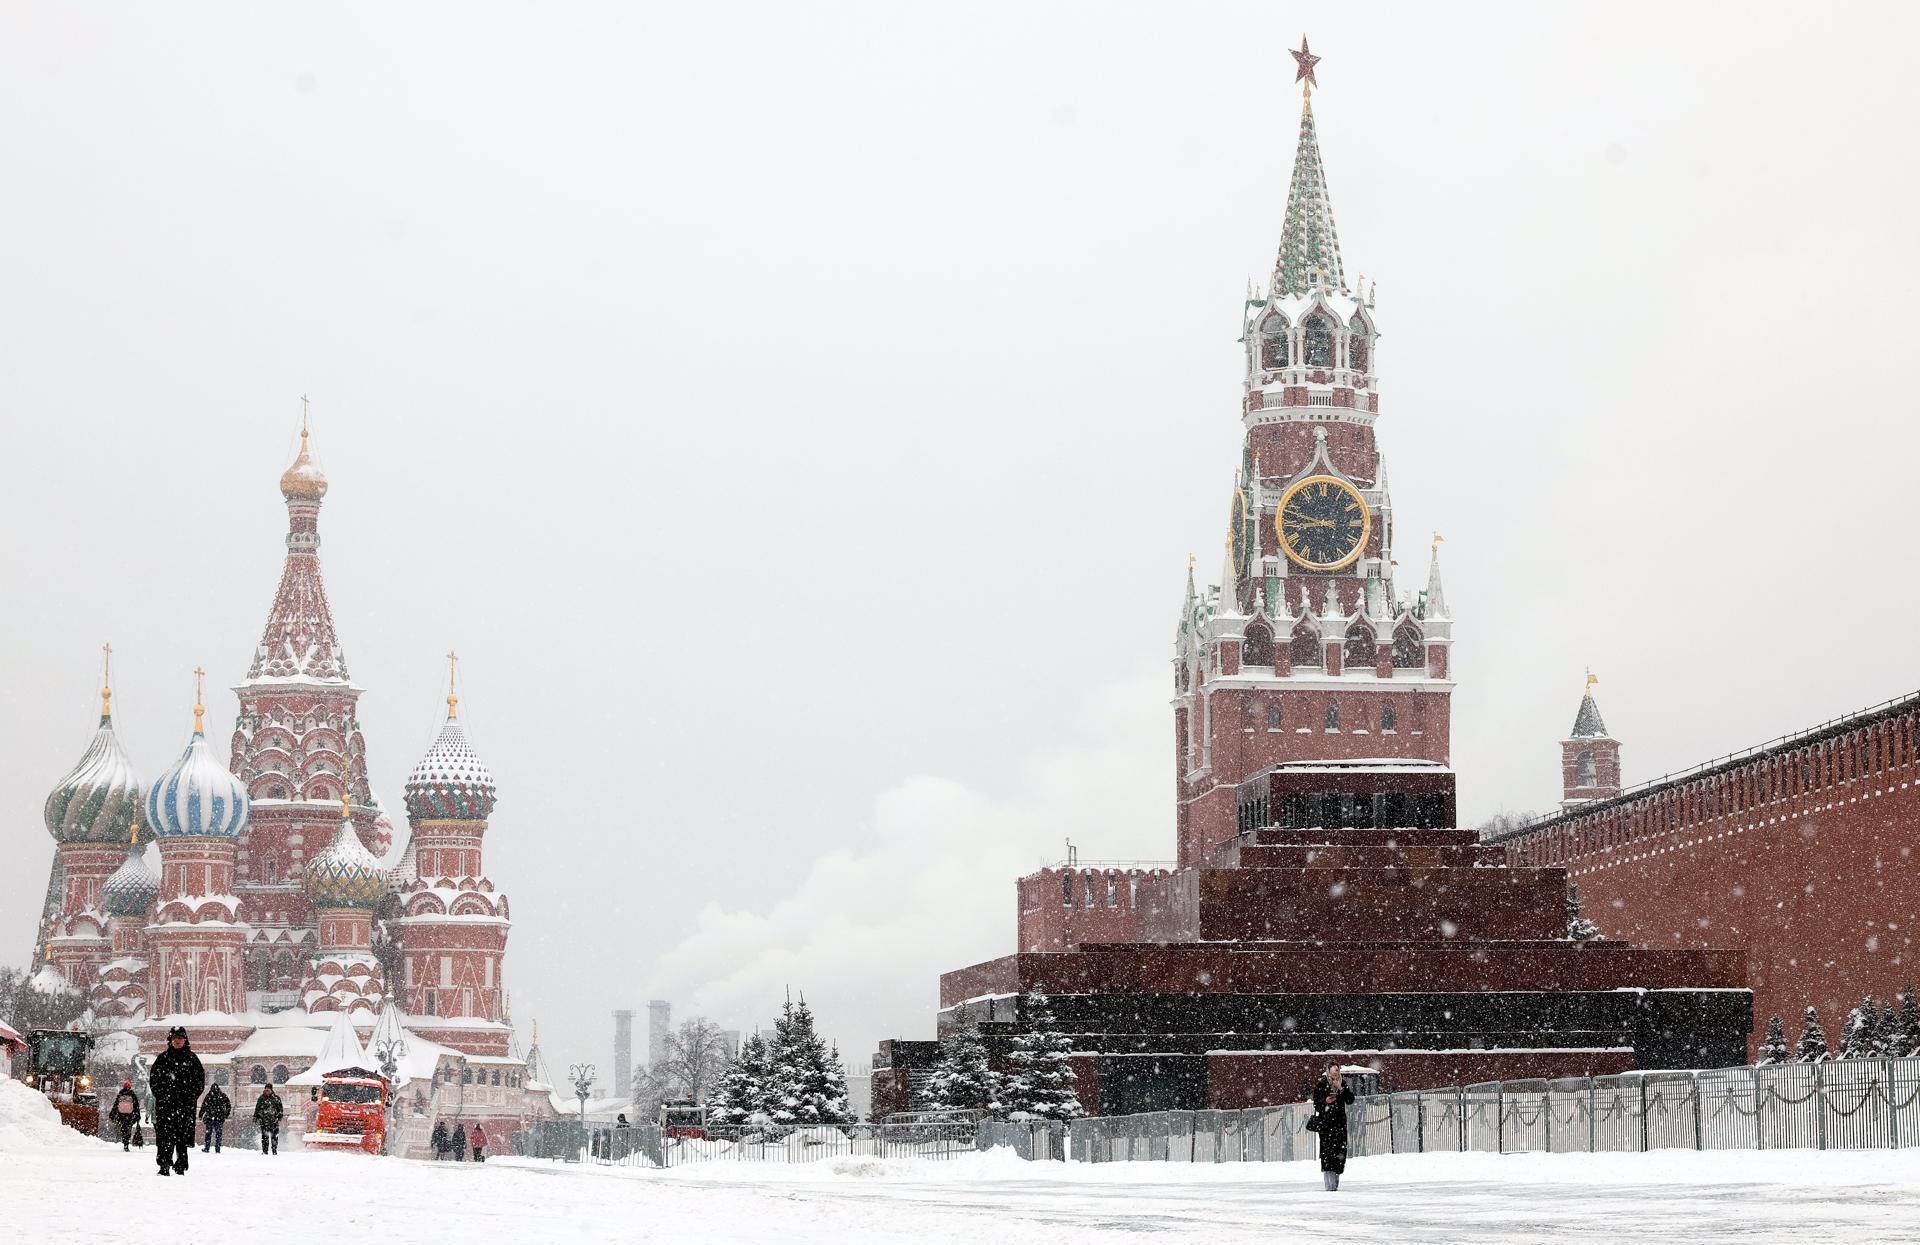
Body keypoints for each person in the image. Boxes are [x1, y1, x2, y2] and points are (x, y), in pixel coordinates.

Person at [148, 1027, 205, 1177]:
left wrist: (189, 1097)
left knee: (182, 1138)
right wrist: (163, 1096)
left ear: (185, 1040)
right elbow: (154, 1081)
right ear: (171, 1040)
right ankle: (164, 1165)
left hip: (185, 1106)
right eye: (175, 1038)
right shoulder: (163, 1059)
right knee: (165, 1137)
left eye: (180, 1038)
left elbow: (199, 1082)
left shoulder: (192, 1059)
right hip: (166, 1106)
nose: (178, 1041)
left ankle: (181, 1165)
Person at [1312, 1065, 1356, 1192]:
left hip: (1340, 1125)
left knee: (1340, 1154)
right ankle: (1329, 1185)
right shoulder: (1321, 1084)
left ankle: (1335, 1181)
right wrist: (1325, 1101)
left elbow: (1350, 1099)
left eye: (1337, 1072)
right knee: (1327, 1154)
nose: (1335, 1074)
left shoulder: (1343, 1083)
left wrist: (1340, 1088)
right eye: (1333, 1072)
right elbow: (1316, 1104)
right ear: (1328, 1073)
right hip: (1326, 1126)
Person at [199, 1082, 232, 1153]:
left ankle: (207, 1148)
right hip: (219, 1118)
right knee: (218, 1134)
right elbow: (228, 1106)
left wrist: (200, 1115)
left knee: (208, 1134)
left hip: (210, 1117)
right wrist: (226, 1114)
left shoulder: (209, 1096)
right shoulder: (222, 1096)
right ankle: (217, 1149)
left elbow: (203, 1106)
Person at [253, 1084, 285, 1155]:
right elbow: (257, 1108)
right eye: (266, 1089)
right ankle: (265, 1151)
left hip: (274, 1121)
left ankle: (274, 1150)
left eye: (268, 1089)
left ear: (271, 1090)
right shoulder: (261, 1098)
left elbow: (280, 1108)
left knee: (274, 1137)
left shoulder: (276, 1098)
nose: (267, 1090)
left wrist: (279, 1116)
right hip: (264, 1121)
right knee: (264, 1137)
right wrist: (255, 1116)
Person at [110, 1081, 142, 1151]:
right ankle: (126, 1142)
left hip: (121, 1115)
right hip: (130, 1115)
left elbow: (116, 1104)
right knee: (128, 1128)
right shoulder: (132, 1094)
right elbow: (136, 1106)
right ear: (130, 1087)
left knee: (123, 1128)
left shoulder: (120, 1093)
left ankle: (124, 1141)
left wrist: (112, 1114)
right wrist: (138, 1115)